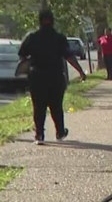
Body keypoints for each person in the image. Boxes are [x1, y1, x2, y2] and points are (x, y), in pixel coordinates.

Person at [18, 10, 87, 145]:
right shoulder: (59, 38)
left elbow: (22, 55)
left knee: (38, 106)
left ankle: (39, 134)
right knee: (56, 105)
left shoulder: (32, 37)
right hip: (55, 77)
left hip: (37, 76)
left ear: (39, 20)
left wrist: (28, 65)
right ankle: (60, 131)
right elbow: (69, 57)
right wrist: (81, 72)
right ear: (52, 20)